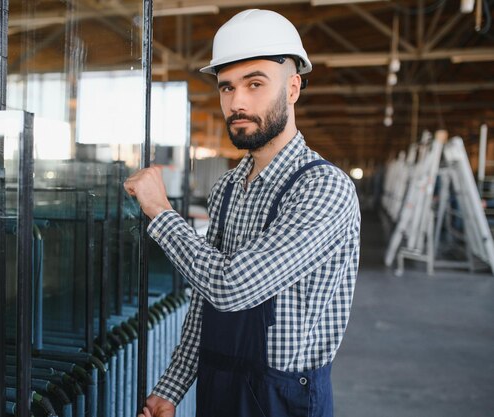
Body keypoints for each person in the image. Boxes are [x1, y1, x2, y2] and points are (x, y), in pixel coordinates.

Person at [124, 9, 361, 417]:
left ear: (292, 88)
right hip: (218, 386)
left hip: (281, 399)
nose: (237, 102)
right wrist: (171, 389)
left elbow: (231, 288)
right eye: (227, 88)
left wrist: (160, 212)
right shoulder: (228, 188)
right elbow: (205, 303)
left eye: (255, 84)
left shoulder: (324, 188)